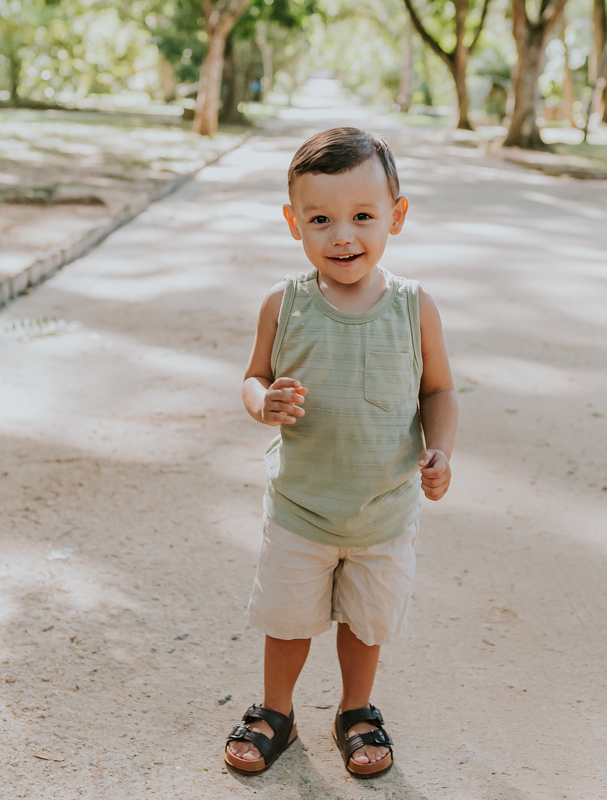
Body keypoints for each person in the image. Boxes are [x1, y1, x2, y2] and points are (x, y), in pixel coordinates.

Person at [222, 128, 458, 779]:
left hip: (383, 512)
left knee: (365, 622)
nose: (342, 236)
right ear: (293, 222)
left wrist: (440, 450)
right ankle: (276, 711)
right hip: (301, 508)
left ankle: (355, 710)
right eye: (321, 220)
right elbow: (254, 375)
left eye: (362, 216)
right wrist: (262, 402)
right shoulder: (284, 304)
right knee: (288, 621)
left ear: (396, 216)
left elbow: (438, 390)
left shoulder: (414, 307)